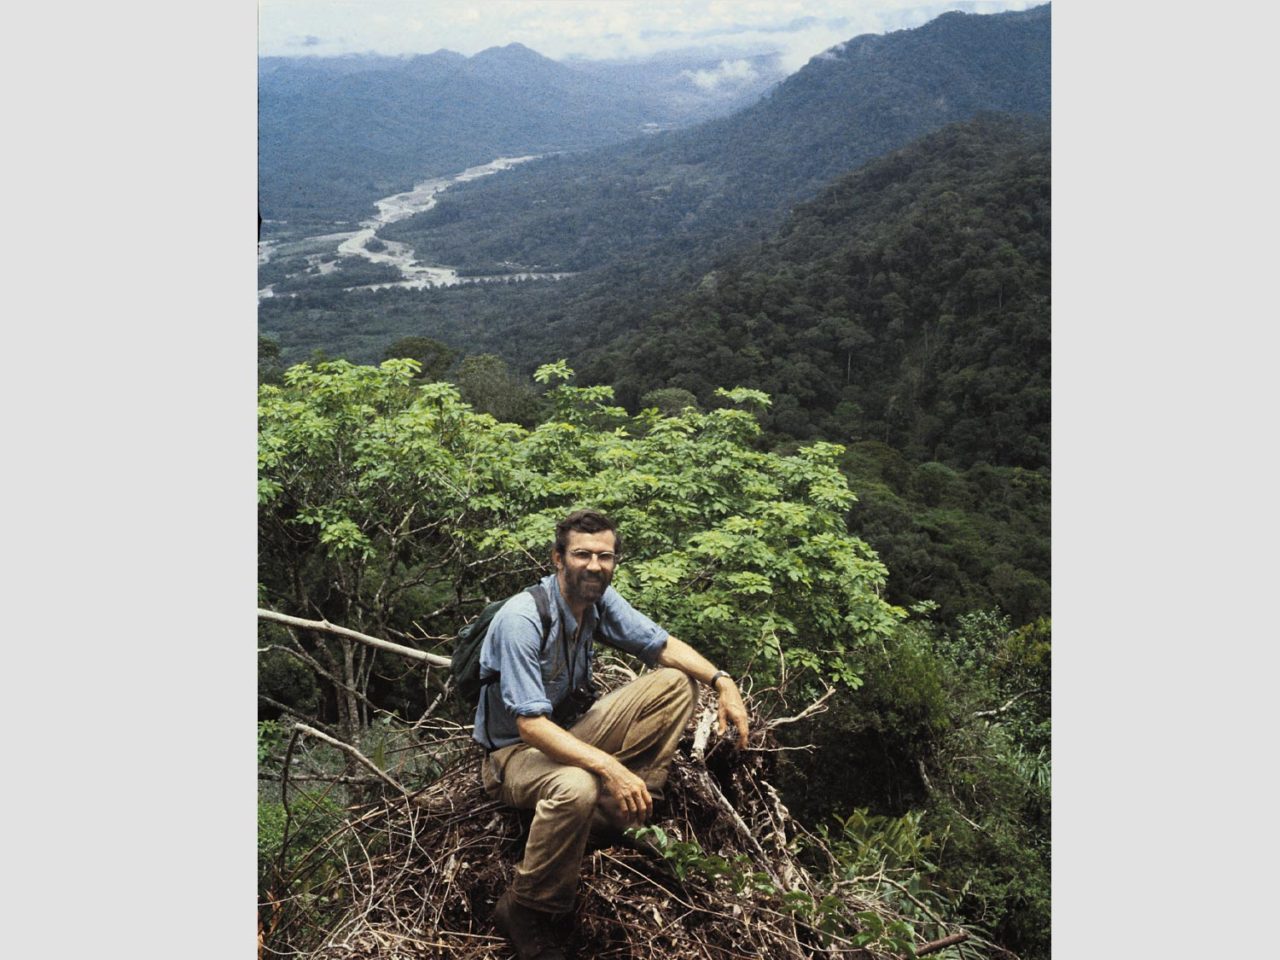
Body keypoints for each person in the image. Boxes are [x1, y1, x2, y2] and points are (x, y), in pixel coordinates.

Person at [474, 508, 750, 960]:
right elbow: (529, 724)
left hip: (569, 735)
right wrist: (610, 767)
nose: (595, 566)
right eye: (582, 555)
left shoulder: (597, 601)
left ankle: (619, 813)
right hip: (514, 755)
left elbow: (660, 645)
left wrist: (723, 681)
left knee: (676, 682)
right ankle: (527, 907)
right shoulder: (522, 618)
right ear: (558, 558)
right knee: (576, 786)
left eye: (605, 556)